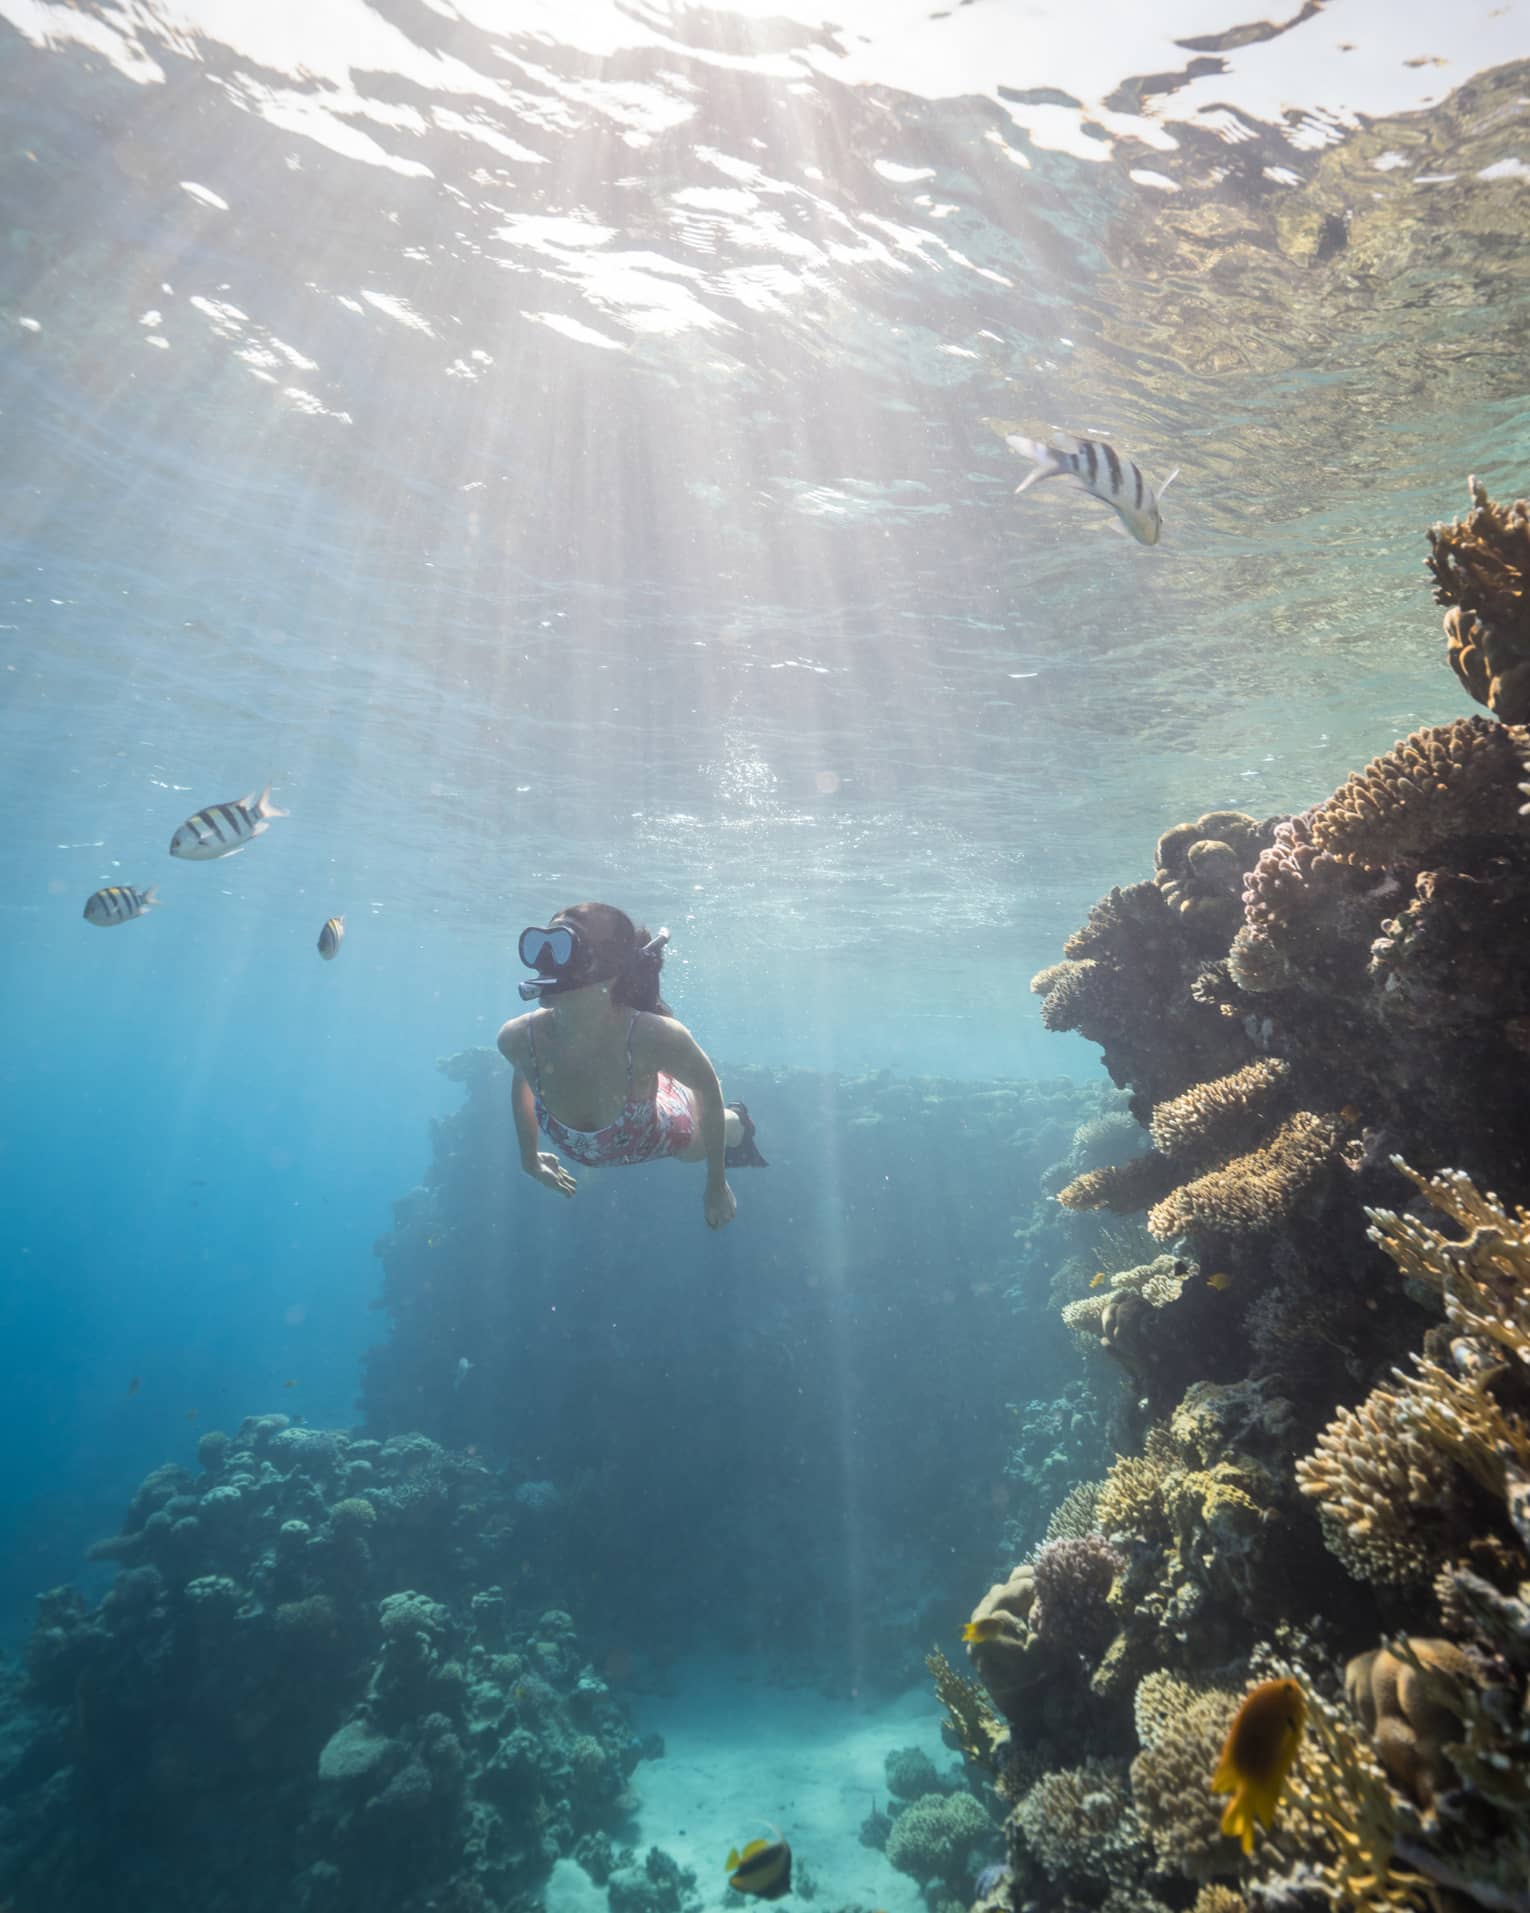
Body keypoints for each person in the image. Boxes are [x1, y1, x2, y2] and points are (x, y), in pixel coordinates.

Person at [497, 903, 766, 1230]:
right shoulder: (518, 1038)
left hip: (661, 1131)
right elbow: (523, 1078)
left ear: (610, 971)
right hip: (636, 1078)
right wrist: (529, 1160)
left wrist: (716, 1182)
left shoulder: (656, 1037)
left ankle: (739, 1120)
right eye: (543, 945)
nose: (547, 962)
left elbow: (707, 1088)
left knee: (695, 1146)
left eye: (565, 947)